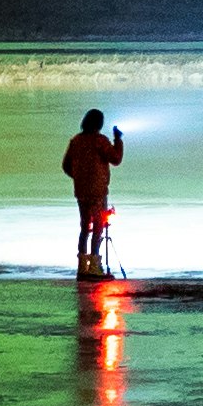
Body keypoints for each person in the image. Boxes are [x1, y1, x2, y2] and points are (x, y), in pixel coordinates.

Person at [61, 107, 124, 279]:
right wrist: (118, 140)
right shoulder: (100, 141)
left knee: (84, 227)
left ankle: (82, 267)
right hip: (97, 191)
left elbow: (66, 165)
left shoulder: (76, 141)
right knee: (98, 227)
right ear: (99, 124)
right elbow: (116, 159)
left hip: (81, 191)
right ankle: (95, 267)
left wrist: (79, 177)